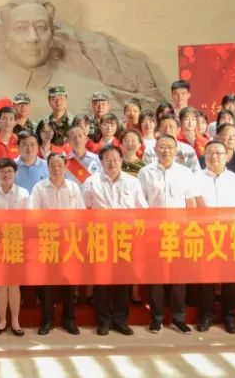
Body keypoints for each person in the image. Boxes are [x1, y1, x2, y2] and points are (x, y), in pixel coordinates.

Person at [137, 135, 199, 334]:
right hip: (154, 232)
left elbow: (190, 203)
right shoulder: (145, 172)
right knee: (156, 276)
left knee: (178, 276)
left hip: (178, 232)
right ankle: (156, 318)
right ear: (155, 150)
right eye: (162, 147)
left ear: (176, 150)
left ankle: (178, 318)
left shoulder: (185, 173)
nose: (165, 150)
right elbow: (141, 203)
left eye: (170, 147)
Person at [82, 144, 146, 335]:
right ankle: (103, 321)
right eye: (107, 159)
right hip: (100, 237)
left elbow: (142, 210)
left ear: (121, 160)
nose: (112, 162)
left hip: (125, 238)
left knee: (122, 281)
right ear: (101, 162)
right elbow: (84, 211)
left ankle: (120, 321)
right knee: (101, 281)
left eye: (115, 159)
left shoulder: (132, 182)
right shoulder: (91, 182)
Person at [194, 141, 235, 333]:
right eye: (210, 153)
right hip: (204, 235)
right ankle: (206, 315)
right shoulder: (195, 179)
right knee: (206, 279)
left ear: (227, 156)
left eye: (219, 153)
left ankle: (229, 316)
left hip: (231, 235)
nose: (215, 156)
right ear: (204, 156)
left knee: (231, 278)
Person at [30, 153, 85, 336]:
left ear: (65, 166)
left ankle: (70, 320)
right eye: (52, 165)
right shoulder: (39, 188)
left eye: (59, 165)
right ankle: (47, 320)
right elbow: (33, 215)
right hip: (48, 241)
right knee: (48, 284)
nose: (56, 168)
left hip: (69, 242)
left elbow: (81, 214)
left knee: (69, 282)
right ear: (47, 167)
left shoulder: (74, 187)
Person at [0, 158, 29, 337]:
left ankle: (15, 321)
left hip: (17, 242)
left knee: (14, 284)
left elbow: (28, 221)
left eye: (10, 171)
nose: (6, 174)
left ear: (15, 173)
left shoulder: (24, 193)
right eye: (2, 171)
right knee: (1, 284)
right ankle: (2, 321)